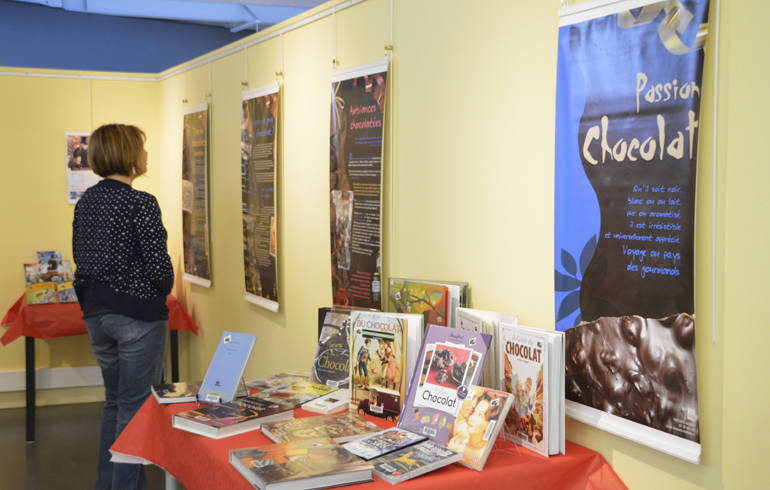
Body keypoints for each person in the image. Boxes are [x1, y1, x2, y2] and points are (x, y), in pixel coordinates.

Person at [72, 123, 173, 490]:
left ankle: (107, 483)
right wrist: (165, 289)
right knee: (134, 409)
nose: (146, 155)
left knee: (113, 403)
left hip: (97, 315)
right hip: (138, 317)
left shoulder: (87, 201)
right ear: (130, 155)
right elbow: (158, 267)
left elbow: (80, 259)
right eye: (142, 148)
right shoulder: (140, 203)